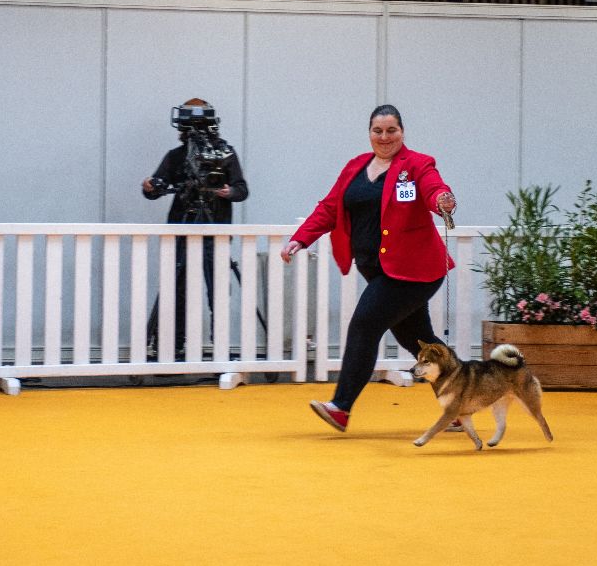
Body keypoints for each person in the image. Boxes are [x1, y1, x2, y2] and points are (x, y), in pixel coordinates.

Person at [280, 105, 457, 432]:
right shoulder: (355, 167)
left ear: (402, 132)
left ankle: (341, 408)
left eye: (392, 130)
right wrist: (300, 240)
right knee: (420, 342)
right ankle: (460, 402)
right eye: (378, 131)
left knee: (364, 325)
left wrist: (442, 199)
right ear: (369, 133)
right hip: (379, 271)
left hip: (414, 272)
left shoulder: (417, 164)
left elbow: (433, 188)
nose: (385, 137)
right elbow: (329, 207)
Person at [142, 98, 248, 358]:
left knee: (218, 289)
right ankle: (173, 344)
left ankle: (220, 346)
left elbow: (242, 190)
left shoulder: (225, 154)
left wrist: (227, 191)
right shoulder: (177, 157)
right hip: (182, 230)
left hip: (216, 231)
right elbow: (155, 188)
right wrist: (150, 187)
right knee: (176, 288)